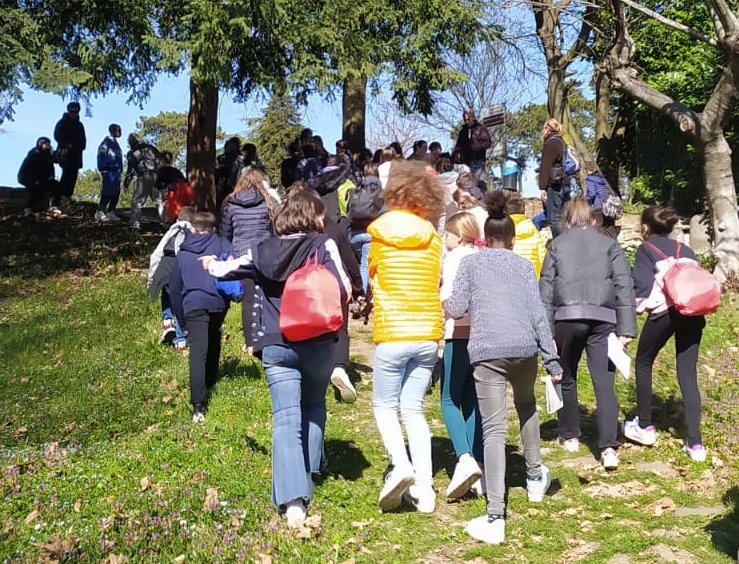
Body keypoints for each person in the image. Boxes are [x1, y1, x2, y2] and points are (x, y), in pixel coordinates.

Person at [202, 190, 351, 529]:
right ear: (313, 216)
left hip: (277, 343)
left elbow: (225, 271)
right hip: (316, 342)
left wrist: (209, 263)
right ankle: (312, 471)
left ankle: (293, 501)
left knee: (285, 418)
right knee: (314, 405)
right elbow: (342, 287)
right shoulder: (322, 245)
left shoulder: (261, 250)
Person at [445, 191, 562, 545]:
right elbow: (538, 314)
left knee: (494, 430)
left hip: (487, 351)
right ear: (511, 239)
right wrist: (552, 358)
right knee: (527, 407)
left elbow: (457, 306)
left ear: (485, 237)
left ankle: (495, 514)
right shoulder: (524, 265)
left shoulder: (470, 264)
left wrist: (445, 298)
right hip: (525, 348)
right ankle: (533, 478)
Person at [367, 159, 445, 514]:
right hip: (428, 334)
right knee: (414, 409)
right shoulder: (434, 239)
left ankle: (401, 465)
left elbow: (373, 279)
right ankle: (426, 490)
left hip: (393, 333)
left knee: (385, 406)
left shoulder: (379, 235)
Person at [539, 197, 637, 470]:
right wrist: (626, 328)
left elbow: (546, 291)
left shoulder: (556, 245)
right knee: (604, 383)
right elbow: (624, 285)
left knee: (565, 375)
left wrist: (544, 333)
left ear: (567, 220)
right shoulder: (609, 244)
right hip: (604, 319)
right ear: (592, 219)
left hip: (566, 318)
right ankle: (608, 447)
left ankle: (569, 435)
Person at [626, 206, 707, 462]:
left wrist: (633, 316)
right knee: (688, 373)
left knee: (643, 362)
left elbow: (641, 289)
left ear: (645, 229)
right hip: (693, 313)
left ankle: (645, 426)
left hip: (665, 314)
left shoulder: (646, 249)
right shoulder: (688, 250)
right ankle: (695, 445)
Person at [170, 211, 232, 422]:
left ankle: (198, 406)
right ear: (213, 228)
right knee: (214, 335)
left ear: (192, 228)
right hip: (218, 303)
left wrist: (182, 318)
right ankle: (212, 379)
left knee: (198, 353)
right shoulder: (223, 243)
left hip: (193, 305)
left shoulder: (183, 252)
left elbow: (175, 289)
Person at [439, 211, 483, 501]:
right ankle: (478, 463)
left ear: (458, 234)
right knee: (472, 399)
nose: (444, 239)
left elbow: (448, 295)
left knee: (449, 397)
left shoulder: (455, 258)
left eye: (447, 233)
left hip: (457, 332)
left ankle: (464, 456)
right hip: (481, 334)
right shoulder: (483, 256)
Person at [219, 168, 277, 356]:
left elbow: (225, 232)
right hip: (265, 252)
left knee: (249, 298)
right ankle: (268, 334)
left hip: (242, 254)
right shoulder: (268, 200)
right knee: (267, 295)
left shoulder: (230, 203)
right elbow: (276, 226)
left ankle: (250, 342)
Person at [148, 206, 196, 351]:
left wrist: (152, 278)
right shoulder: (191, 233)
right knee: (181, 302)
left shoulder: (171, 231)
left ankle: (168, 321)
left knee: (166, 294)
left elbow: (156, 254)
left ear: (177, 218)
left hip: (163, 268)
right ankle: (180, 339)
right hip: (179, 269)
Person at [538, 118, 570, 238]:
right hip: (565, 182)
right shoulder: (562, 142)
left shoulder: (550, 143)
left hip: (555, 185)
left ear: (547, 128)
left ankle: (561, 245)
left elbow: (545, 167)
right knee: (564, 217)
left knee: (554, 218)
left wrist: (542, 187)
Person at [123, 133, 163, 231]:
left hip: (143, 176)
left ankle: (134, 225)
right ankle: (166, 223)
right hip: (156, 175)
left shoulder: (134, 152)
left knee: (137, 201)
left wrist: (126, 183)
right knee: (159, 200)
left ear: (130, 142)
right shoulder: (152, 149)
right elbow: (160, 162)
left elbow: (131, 169)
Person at [505, 192, 547, 278]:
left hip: (512, 279)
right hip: (534, 278)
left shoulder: (505, 231)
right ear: (524, 212)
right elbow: (543, 256)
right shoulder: (533, 230)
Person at [53, 101, 86, 205]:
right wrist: (66, 144)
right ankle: (59, 198)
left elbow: (83, 140)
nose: (74, 113)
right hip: (66, 155)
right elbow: (57, 136)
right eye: (72, 111)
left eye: (76, 111)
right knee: (66, 175)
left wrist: (80, 147)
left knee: (73, 176)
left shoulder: (79, 125)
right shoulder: (62, 123)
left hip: (76, 155)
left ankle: (68, 196)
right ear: (68, 111)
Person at [18, 136, 60, 216]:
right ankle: (28, 208)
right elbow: (36, 168)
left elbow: (51, 165)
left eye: (48, 144)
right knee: (40, 188)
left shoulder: (48, 154)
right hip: (27, 177)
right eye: (45, 144)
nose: (47, 146)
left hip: (42, 177)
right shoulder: (34, 154)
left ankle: (54, 206)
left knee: (57, 186)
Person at [95, 124, 124, 222]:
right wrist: (104, 167)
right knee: (107, 191)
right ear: (112, 130)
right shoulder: (106, 143)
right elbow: (101, 156)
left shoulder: (116, 144)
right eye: (118, 130)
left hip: (117, 173)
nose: (120, 132)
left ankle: (111, 211)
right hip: (109, 172)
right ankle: (100, 211)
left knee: (116, 192)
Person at [453, 110, 490, 184]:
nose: (466, 121)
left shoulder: (481, 129)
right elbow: (458, 146)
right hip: (466, 162)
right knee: (468, 183)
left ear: (473, 118)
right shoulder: (463, 132)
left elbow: (487, 142)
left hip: (478, 160)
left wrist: (476, 147)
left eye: (468, 119)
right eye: (465, 119)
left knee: (480, 182)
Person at [584, 161, 618, 238]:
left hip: (598, 207)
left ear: (587, 170)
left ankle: (599, 247)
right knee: (610, 229)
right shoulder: (602, 178)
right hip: (608, 207)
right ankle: (614, 245)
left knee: (597, 229)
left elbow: (591, 194)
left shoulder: (590, 179)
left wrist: (584, 200)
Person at [216, 137, 241, 207]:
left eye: (227, 145)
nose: (225, 147)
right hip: (223, 186)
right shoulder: (221, 158)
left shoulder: (239, 159)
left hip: (229, 187)